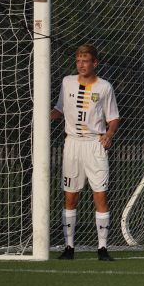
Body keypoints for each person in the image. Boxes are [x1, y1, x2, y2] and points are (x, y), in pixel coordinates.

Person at [51, 44, 120, 261]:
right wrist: (43, 113)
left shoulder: (105, 87)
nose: (81, 64)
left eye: (86, 60)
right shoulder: (67, 82)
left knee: (100, 195)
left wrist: (109, 134)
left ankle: (102, 248)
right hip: (72, 145)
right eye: (78, 60)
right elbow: (59, 110)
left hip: (94, 145)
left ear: (94, 63)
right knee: (70, 197)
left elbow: (113, 117)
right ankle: (69, 247)